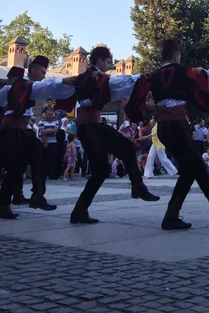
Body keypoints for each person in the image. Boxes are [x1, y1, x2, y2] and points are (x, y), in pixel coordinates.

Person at [125, 40, 209, 230]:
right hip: (177, 124)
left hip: (163, 127)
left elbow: (129, 86)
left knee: (190, 169)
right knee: (194, 165)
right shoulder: (187, 71)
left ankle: (179, 213)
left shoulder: (152, 76)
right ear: (177, 55)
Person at [58, 47, 160, 224]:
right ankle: (135, 187)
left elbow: (70, 83)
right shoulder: (94, 77)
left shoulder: (87, 77)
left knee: (116, 157)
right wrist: (144, 77)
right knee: (102, 169)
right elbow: (119, 81)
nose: (109, 65)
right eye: (107, 61)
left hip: (93, 126)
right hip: (91, 127)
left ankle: (136, 187)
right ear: (99, 61)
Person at [0, 57, 77, 219]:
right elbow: (48, 87)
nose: (44, 75)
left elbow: (46, 87)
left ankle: (37, 196)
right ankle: (4, 204)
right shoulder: (18, 87)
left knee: (38, 160)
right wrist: (66, 82)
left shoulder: (29, 87)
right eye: (42, 72)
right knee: (14, 168)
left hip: (24, 131)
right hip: (11, 131)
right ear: (33, 70)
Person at [38, 108, 61, 179]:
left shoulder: (56, 122)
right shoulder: (41, 122)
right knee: (44, 158)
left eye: (51, 114)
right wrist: (52, 131)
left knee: (52, 159)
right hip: (44, 142)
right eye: (49, 114)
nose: (50, 115)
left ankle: (52, 174)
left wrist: (46, 132)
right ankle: (44, 174)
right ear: (46, 115)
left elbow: (55, 131)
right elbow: (42, 133)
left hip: (53, 142)